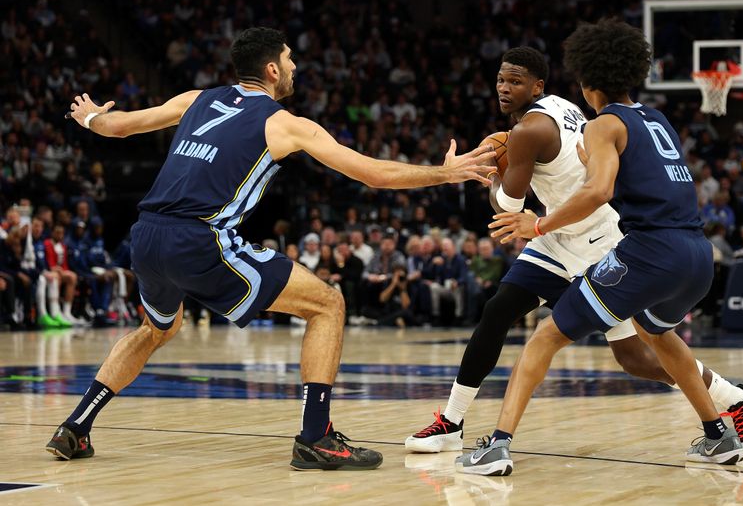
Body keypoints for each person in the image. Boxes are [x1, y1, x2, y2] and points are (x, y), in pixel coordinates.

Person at [46, 27, 496, 470]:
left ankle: (75, 427)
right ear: (271, 69)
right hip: (200, 238)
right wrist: (444, 174)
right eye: (289, 60)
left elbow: (119, 126)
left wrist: (88, 116)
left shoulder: (194, 99)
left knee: (155, 330)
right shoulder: (283, 124)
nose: (295, 67)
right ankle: (315, 437)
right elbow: (371, 174)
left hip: (144, 236)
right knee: (327, 303)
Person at [403, 46, 743, 468]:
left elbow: (508, 208)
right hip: (559, 235)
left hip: (599, 239)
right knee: (498, 309)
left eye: (514, 81)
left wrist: (492, 172)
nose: (504, 88)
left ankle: (733, 396)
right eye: (501, 79)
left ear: (538, 86)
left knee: (635, 356)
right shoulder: (562, 106)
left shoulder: (531, 130)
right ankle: (451, 421)